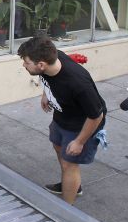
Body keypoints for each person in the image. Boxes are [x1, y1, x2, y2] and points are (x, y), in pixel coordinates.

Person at [17, 35, 107, 205]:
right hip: (62, 117)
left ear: (41, 64)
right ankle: (73, 185)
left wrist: (80, 141)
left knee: (69, 165)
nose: (23, 65)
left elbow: (96, 115)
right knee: (59, 148)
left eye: (26, 62)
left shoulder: (78, 84)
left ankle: (67, 210)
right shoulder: (52, 58)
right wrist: (46, 94)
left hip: (81, 127)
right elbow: (47, 78)